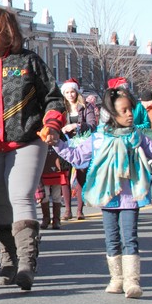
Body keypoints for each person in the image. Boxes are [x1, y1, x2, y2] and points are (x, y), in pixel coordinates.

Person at [0, 5, 63, 291]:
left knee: (20, 196)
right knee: (0, 202)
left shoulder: (29, 61)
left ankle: (27, 263)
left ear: (8, 33)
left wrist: (52, 125)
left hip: (27, 139)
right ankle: (8, 262)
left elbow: (53, 98)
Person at [53, 85, 152, 298]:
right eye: (124, 111)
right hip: (107, 197)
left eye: (131, 110)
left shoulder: (136, 136)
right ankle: (116, 279)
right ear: (111, 114)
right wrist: (56, 142)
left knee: (129, 238)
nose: (130, 114)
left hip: (131, 196)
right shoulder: (98, 138)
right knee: (111, 239)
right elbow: (77, 157)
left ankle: (132, 282)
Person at [59, 79, 97, 220]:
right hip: (66, 144)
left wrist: (76, 126)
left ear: (77, 92)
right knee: (65, 177)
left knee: (81, 176)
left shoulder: (86, 107)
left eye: (72, 92)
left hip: (82, 145)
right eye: (67, 92)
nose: (70, 95)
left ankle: (80, 210)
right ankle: (67, 210)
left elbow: (93, 125)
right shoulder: (61, 108)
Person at [38, 147, 68, 230]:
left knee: (56, 195)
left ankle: (56, 220)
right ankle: (46, 218)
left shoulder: (58, 135)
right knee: (45, 195)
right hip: (44, 165)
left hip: (57, 163)